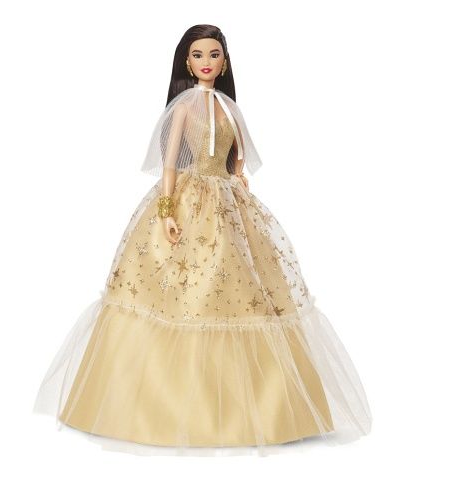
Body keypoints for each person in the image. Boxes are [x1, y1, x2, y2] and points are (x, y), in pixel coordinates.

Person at [33, 24, 372, 457]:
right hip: (189, 200)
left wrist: (238, 177)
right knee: (185, 288)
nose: (206, 62)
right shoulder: (184, 107)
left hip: (228, 202)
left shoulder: (229, 107)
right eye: (198, 55)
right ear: (187, 62)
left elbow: (236, 156)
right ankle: (170, 408)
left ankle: (253, 409)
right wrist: (166, 210)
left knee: (240, 288)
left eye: (213, 55)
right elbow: (170, 162)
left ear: (224, 62)